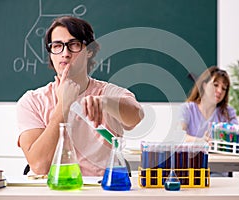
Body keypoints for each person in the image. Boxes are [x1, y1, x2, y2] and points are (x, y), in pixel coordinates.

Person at [16, 16, 144, 176]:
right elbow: (39, 166)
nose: (65, 53)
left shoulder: (108, 93)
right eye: (57, 46)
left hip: (100, 190)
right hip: (50, 191)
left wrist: (105, 103)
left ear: (89, 50)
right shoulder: (32, 101)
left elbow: (137, 115)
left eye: (74, 45)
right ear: (51, 53)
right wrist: (63, 105)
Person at [180, 66, 238, 143]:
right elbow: (179, 136)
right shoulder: (187, 109)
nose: (220, 91)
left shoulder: (228, 112)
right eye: (215, 85)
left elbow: (236, 137)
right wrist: (200, 141)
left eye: (224, 88)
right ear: (204, 85)